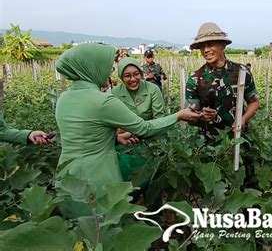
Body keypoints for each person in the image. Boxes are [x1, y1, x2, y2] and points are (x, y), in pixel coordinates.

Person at [55, 43, 201, 217]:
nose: (109, 73)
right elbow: (143, 128)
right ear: (92, 68)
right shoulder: (103, 101)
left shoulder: (64, 98)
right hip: (97, 176)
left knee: (75, 231)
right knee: (104, 229)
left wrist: (116, 139)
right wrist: (178, 116)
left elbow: (86, 135)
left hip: (67, 176)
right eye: (106, 68)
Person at [185, 22, 260, 138]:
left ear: (223, 45)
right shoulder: (195, 79)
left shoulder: (242, 72)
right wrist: (201, 116)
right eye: (202, 46)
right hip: (209, 146)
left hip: (239, 140)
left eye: (210, 44)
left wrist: (243, 119)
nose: (206, 50)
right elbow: (190, 117)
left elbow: (254, 101)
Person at [112, 57, 167, 184]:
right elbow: (113, 121)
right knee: (128, 182)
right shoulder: (115, 92)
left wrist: (132, 131)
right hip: (125, 144)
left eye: (136, 74)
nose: (132, 79)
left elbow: (159, 119)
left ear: (141, 74)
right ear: (121, 77)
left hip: (150, 142)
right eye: (127, 76)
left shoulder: (152, 89)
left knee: (151, 183)